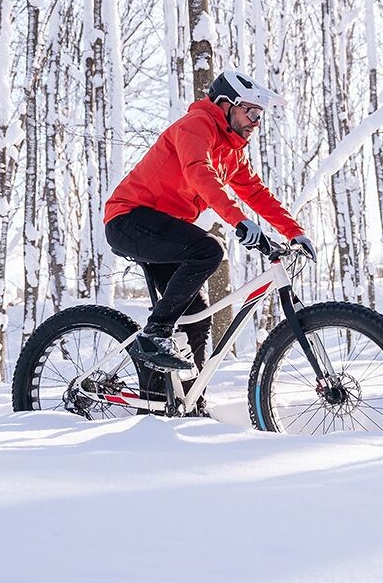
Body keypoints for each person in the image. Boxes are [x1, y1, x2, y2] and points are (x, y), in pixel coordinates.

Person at [104, 70, 316, 384]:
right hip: (129, 219)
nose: (256, 121)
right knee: (208, 249)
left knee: (196, 316)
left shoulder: (232, 152)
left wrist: (294, 231)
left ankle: (183, 399)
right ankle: (154, 334)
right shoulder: (195, 126)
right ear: (226, 104)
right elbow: (198, 173)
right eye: (252, 112)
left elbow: (255, 192)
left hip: (163, 228)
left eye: (260, 115)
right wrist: (239, 221)